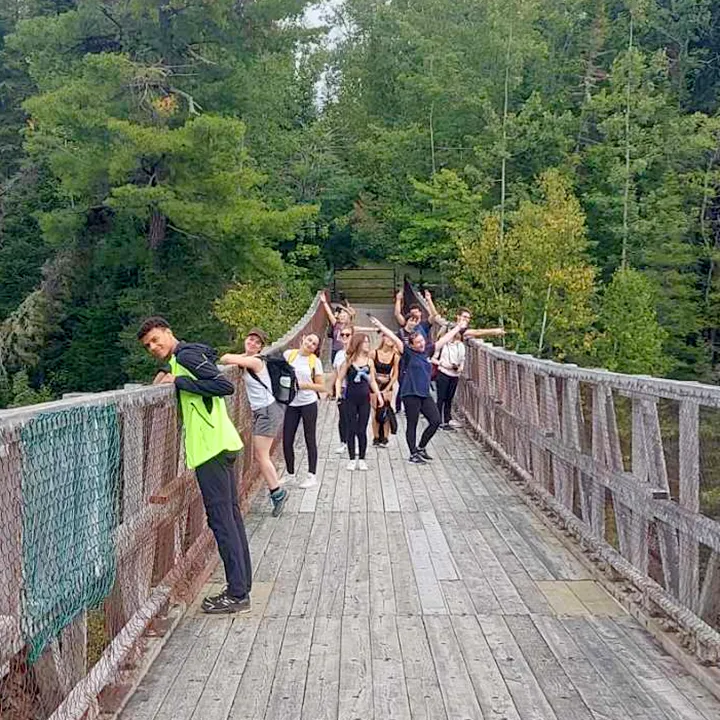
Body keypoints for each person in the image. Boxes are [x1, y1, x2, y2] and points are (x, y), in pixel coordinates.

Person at [137, 317, 252, 614]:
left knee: (222, 521)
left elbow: (222, 385)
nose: (153, 346)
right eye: (148, 345)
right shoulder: (183, 356)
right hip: (220, 443)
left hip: (211, 448)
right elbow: (200, 364)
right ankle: (242, 586)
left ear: (168, 332)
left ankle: (237, 594)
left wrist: (179, 382)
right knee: (232, 516)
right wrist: (168, 373)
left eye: (155, 339)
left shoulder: (185, 357)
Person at [370, 314, 468, 464]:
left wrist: (458, 328)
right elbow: (395, 338)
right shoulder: (408, 353)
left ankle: (421, 447)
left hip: (424, 393)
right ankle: (412, 453)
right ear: (412, 344)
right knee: (412, 424)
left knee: (435, 420)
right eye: (418, 342)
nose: (421, 344)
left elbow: (443, 340)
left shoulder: (427, 351)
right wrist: (380, 325)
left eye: (422, 341)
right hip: (410, 393)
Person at [219, 329, 288, 517]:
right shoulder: (252, 359)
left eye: (257, 342)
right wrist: (242, 355)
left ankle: (277, 493)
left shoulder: (256, 361)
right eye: (250, 339)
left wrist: (237, 356)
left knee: (261, 456)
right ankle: (277, 491)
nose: (252, 343)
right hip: (264, 410)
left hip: (267, 411)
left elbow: (225, 358)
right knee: (261, 455)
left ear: (261, 347)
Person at [335, 333, 384, 471]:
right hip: (350, 398)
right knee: (351, 428)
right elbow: (339, 379)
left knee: (362, 429)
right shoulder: (349, 361)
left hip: (364, 399)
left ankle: (361, 458)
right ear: (358, 344)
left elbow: (372, 381)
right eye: (365, 342)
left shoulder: (369, 362)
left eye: (368, 342)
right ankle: (351, 459)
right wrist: (338, 392)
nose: (368, 344)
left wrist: (379, 396)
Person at [282, 334, 325, 488]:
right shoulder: (289, 355)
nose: (310, 344)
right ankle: (290, 474)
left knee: (310, 438)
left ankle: (311, 475)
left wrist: (304, 385)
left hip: (308, 403)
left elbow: (321, 386)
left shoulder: (315, 362)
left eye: (314, 344)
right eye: (309, 340)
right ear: (303, 339)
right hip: (291, 403)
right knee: (287, 439)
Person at [435, 327, 466, 430]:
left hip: (454, 375)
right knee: (441, 397)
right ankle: (437, 420)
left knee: (449, 398)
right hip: (443, 372)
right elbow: (433, 358)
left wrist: (460, 368)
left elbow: (462, 359)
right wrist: (443, 364)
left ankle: (447, 419)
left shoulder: (460, 345)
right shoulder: (442, 344)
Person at [372, 332, 399, 446]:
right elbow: (371, 369)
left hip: (387, 384)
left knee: (386, 409)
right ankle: (376, 436)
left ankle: (385, 437)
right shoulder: (374, 353)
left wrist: (388, 387)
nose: (390, 340)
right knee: (375, 410)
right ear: (383, 338)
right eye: (388, 337)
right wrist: (376, 380)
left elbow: (395, 374)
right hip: (375, 384)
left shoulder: (395, 356)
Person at [332, 324, 354, 455]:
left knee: (355, 417)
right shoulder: (339, 354)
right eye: (342, 335)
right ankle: (343, 442)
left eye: (347, 335)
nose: (344, 337)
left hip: (355, 388)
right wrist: (335, 390)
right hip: (343, 388)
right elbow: (336, 373)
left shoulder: (356, 353)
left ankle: (354, 442)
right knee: (343, 416)